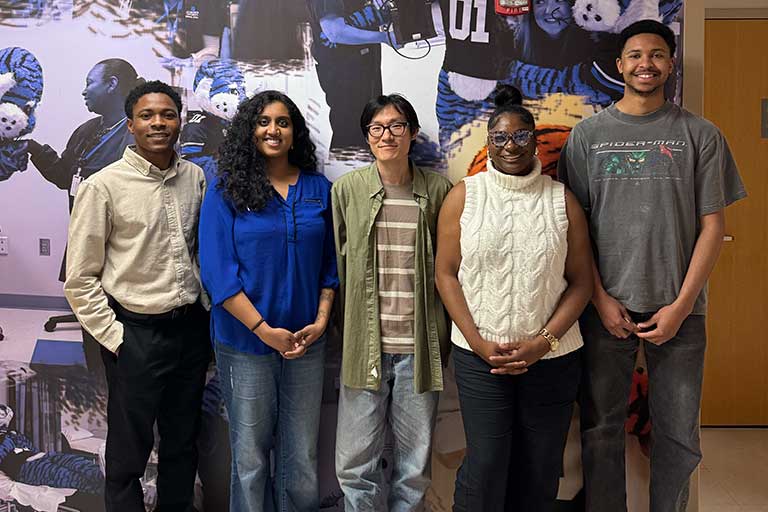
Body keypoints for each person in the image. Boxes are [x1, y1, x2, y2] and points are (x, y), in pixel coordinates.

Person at [558, 20, 747, 512]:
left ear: (672, 63)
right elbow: (573, 232)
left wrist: (682, 306)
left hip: (682, 313)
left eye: (658, 54)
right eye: (636, 55)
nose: (647, 64)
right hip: (604, 311)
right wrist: (599, 299)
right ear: (619, 65)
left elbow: (713, 228)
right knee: (600, 430)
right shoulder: (587, 136)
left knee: (678, 434)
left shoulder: (700, 135)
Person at [435, 84, 592, 511]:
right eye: (500, 137)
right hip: (480, 357)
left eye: (521, 136)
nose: (511, 146)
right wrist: (478, 342)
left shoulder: (562, 200)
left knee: (540, 468)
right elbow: (445, 275)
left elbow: (581, 283)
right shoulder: (464, 196)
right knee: (486, 466)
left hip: (553, 358)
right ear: (490, 142)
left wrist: (543, 343)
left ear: (534, 138)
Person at [63, 80, 211, 512]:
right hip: (135, 335)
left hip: (189, 332)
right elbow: (80, 276)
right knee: (129, 454)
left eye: (167, 114)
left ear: (180, 121)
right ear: (130, 125)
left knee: (183, 447)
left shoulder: (195, 177)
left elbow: (201, 250)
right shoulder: (102, 185)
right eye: (147, 115)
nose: (158, 123)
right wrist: (117, 338)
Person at [198, 90, 338, 512]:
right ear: (249, 130)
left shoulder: (319, 189)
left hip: (306, 344)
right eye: (263, 122)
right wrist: (264, 331)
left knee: (301, 456)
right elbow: (218, 277)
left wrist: (320, 321)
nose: (273, 130)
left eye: (282, 122)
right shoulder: (226, 189)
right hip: (246, 345)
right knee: (251, 457)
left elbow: (330, 266)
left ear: (295, 132)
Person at [332, 94, 452, 511]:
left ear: (412, 133)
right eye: (377, 128)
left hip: (419, 349)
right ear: (367, 137)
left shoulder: (438, 191)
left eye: (397, 126)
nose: (387, 135)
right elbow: (336, 263)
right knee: (355, 466)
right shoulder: (347, 190)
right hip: (364, 344)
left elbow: (452, 267)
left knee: (413, 468)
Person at [27, 58, 141, 376]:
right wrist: (34, 148)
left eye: (90, 83)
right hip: (86, 246)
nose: (84, 92)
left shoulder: (138, 135)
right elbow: (66, 176)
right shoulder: (87, 131)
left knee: (123, 339)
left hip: (124, 255)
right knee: (92, 333)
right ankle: (99, 392)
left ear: (113, 84)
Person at [308, 0, 394, 150]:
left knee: (367, 130)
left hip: (364, 67)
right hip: (344, 72)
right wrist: (384, 37)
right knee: (350, 135)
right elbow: (335, 32)